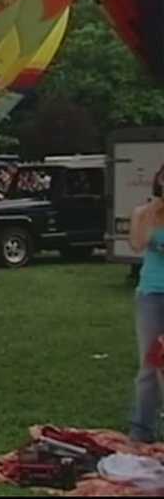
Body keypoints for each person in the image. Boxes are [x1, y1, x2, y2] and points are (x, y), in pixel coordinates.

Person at [130, 162, 164, 442]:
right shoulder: (143, 212)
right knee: (150, 363)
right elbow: (137, 244)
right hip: (152, 293)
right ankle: (142, 431)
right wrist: (151, 215)